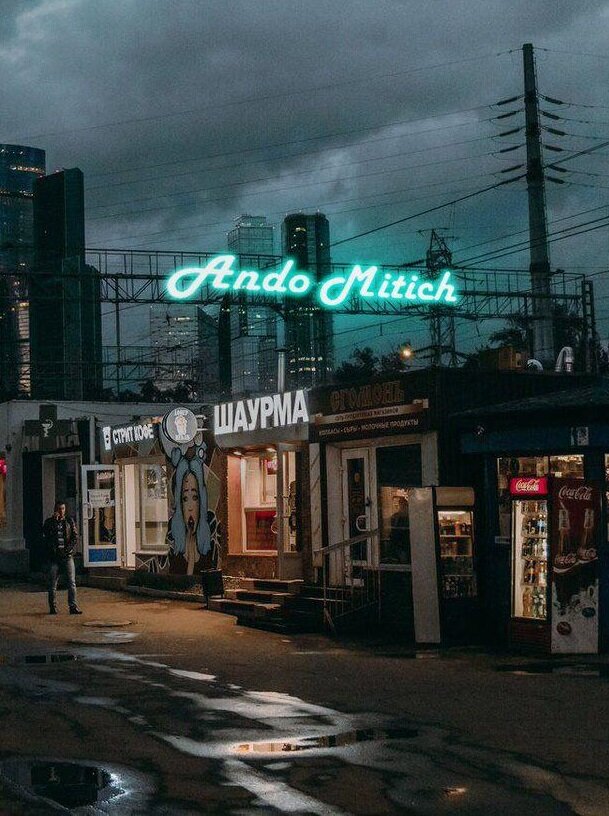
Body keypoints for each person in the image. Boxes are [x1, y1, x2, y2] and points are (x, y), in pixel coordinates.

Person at [43, 500, 82, 615]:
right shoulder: (49, 522)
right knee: (52, 584)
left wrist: (68, 550)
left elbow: (74, 537)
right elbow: (46, 534)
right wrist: (54, 522)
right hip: (54, 557)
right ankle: (53, 607)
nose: (61, 511)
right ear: (55, 509)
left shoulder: (69, 521)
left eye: (63, 509)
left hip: (67, 556)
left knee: (71, 582)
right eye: (59, 509)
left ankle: (73, 607)